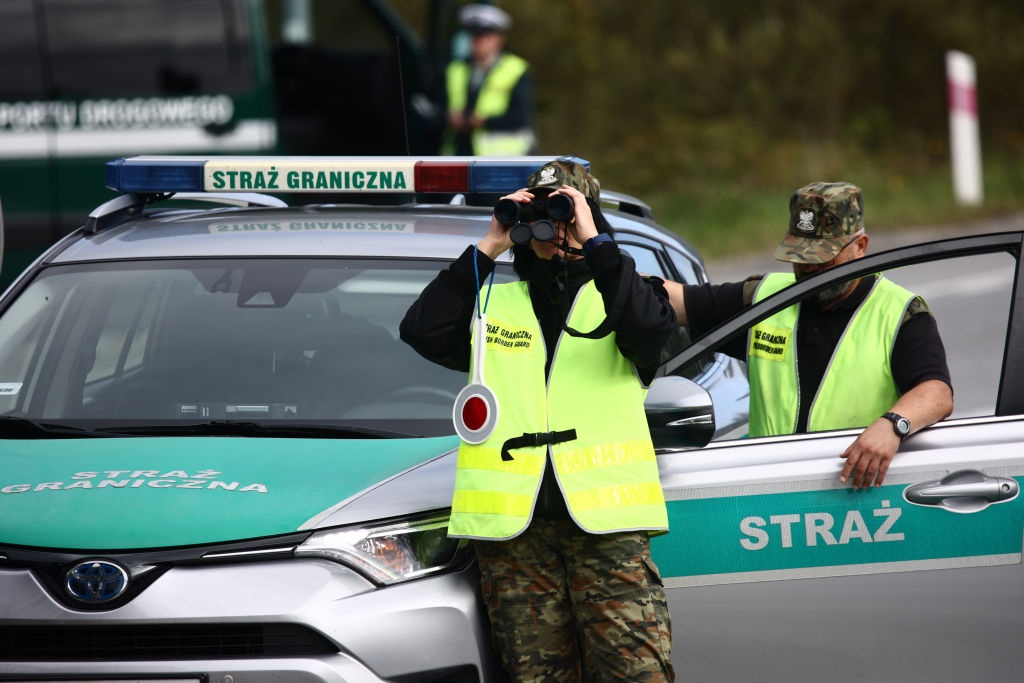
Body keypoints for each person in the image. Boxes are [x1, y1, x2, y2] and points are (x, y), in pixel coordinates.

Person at [400, 159, 676, 681]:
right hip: (515, 536)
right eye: (544, 215)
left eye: (564, 213)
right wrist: (490, 244)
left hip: (607, 532)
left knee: (637, 675)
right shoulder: (495, 304)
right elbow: (422, 329)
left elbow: (649, 331)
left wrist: (592, 239)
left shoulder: (624, 296)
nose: (554, 229)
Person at [665, 181, 954, 490]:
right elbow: (675, 301)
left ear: (860, 247)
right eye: (800, 257)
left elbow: (936, 393)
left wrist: (893, 426)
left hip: (854, 495)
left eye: (822, 258)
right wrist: (623, 271)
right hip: (768, 493)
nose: (809, 268)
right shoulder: (764, 297)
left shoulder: (898, 313)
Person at [442, 4, 535, 156]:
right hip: (459, 153)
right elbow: (435, 108)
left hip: (501, 158)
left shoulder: (516, 69)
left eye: (485, 36)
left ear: (499, 39)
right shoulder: (455, 68)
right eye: (475, 36)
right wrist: (448, 117)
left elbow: (521, 117)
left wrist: (484, 121)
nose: (479, 42)